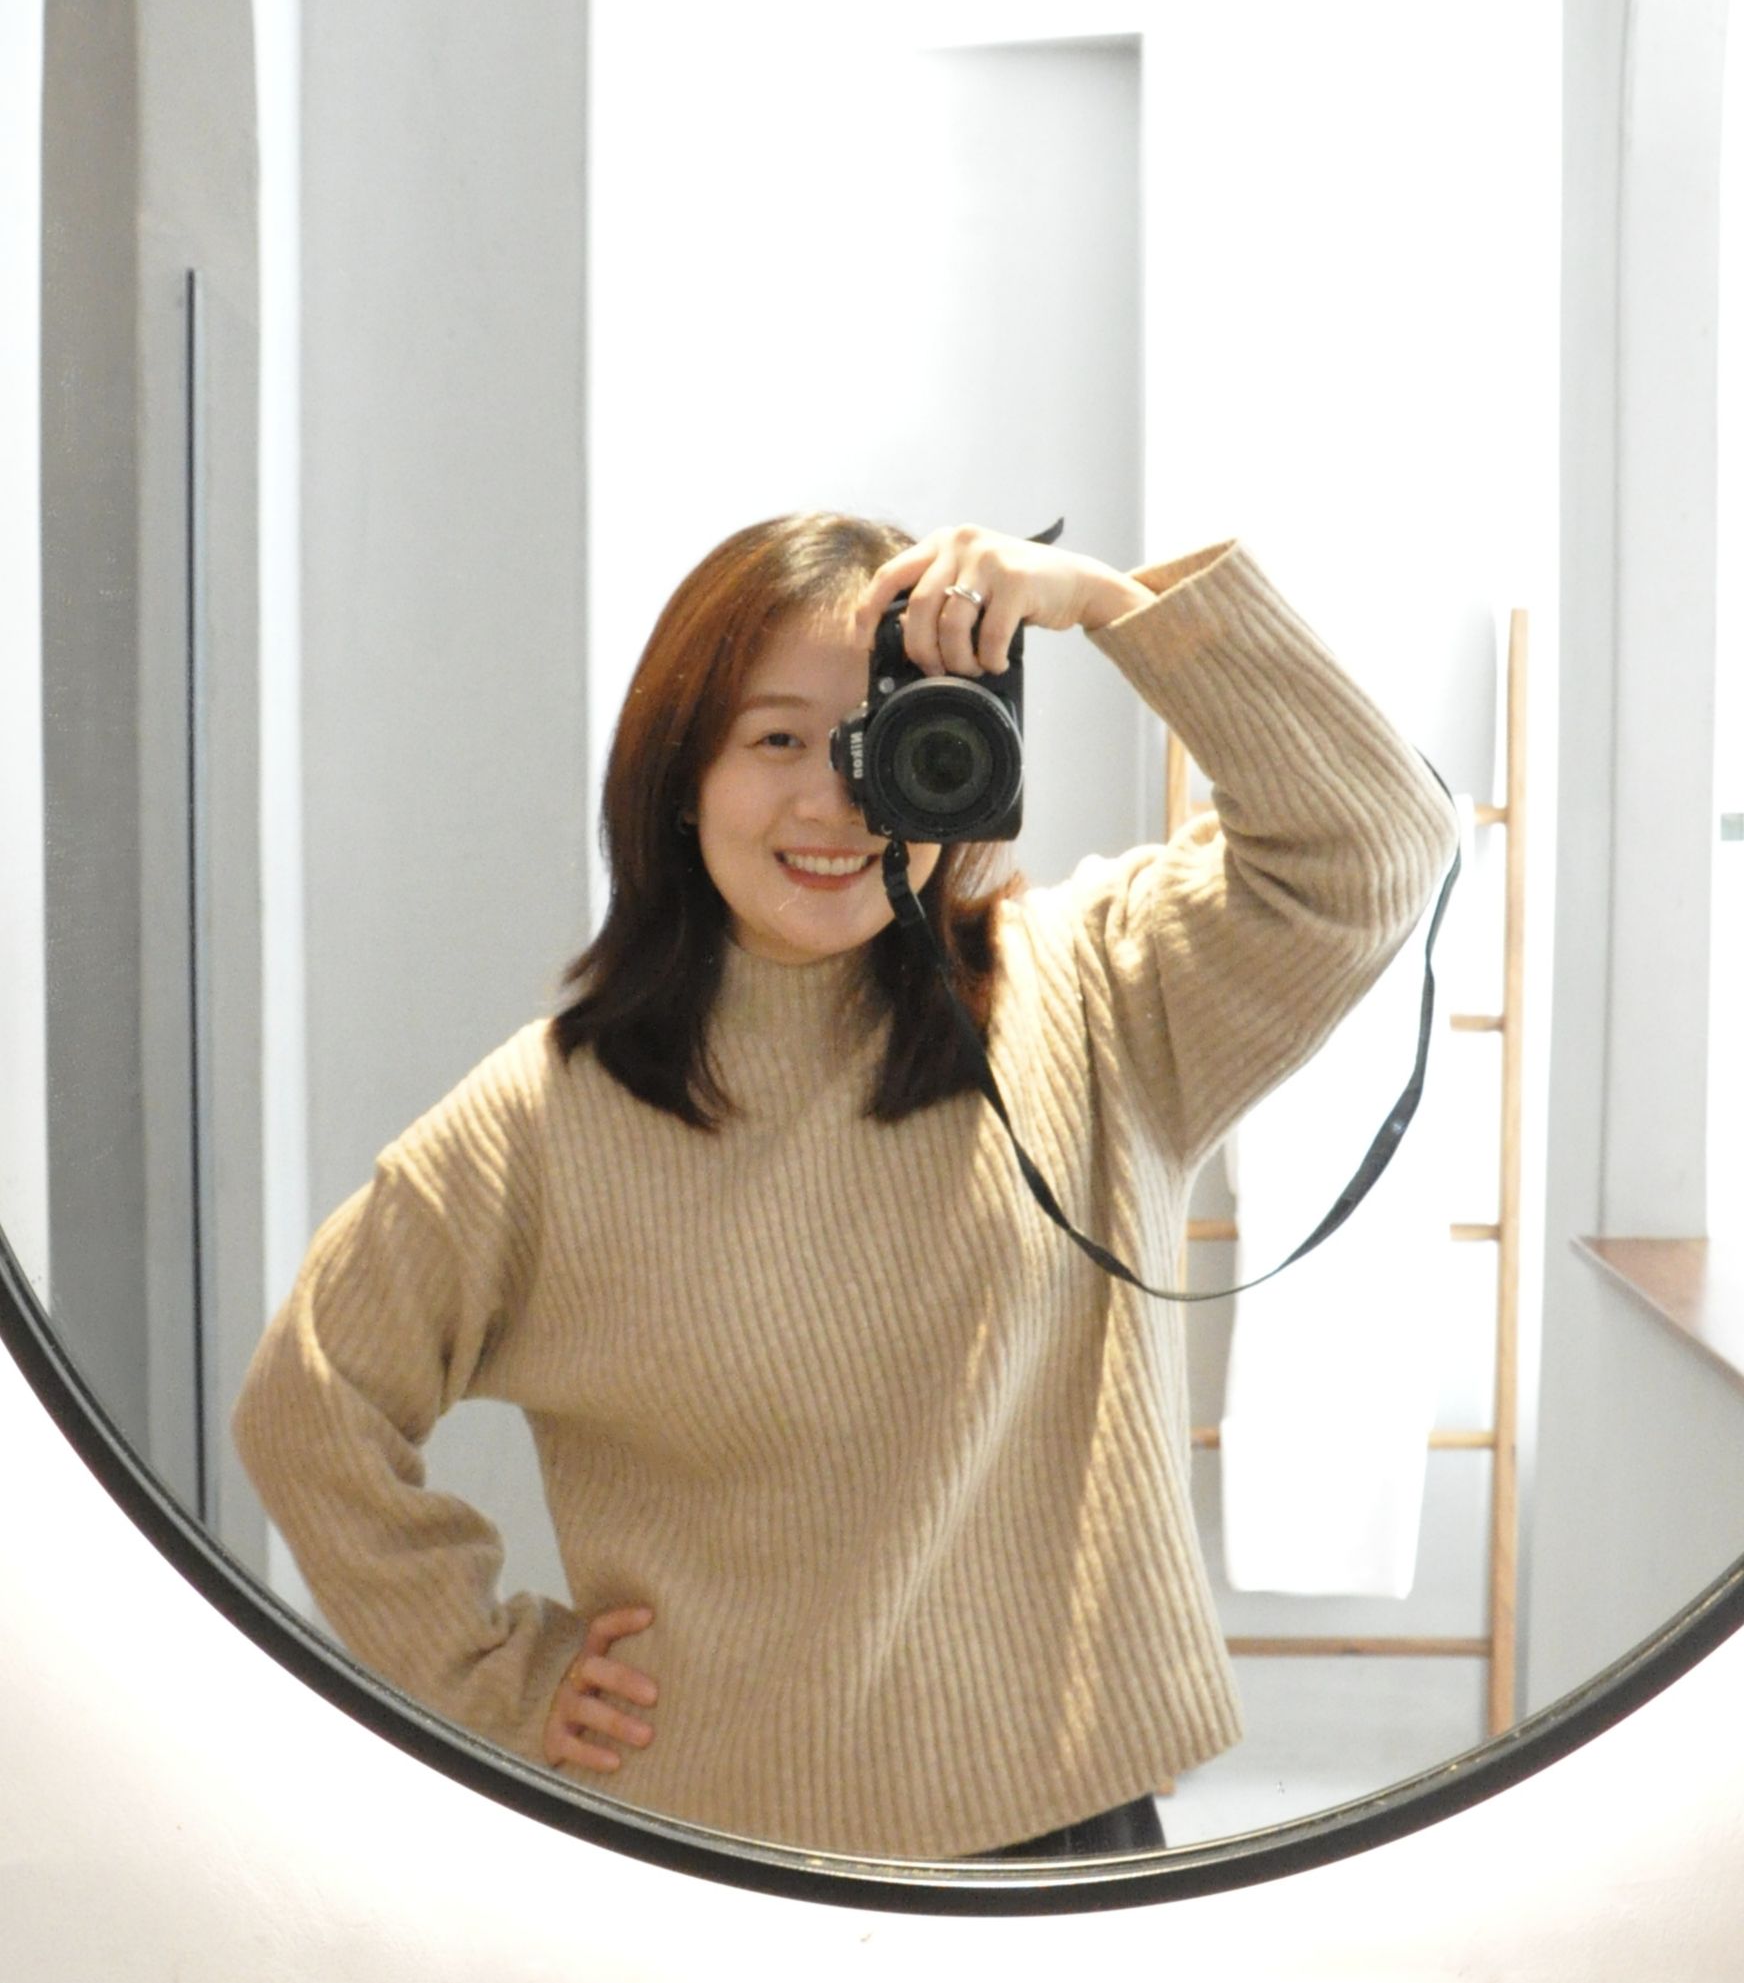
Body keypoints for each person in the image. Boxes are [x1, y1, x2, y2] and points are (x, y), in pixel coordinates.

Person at [233, 517, 1457, 1863]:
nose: (837, 799)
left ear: (968, 755)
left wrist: (1104, 604)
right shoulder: (543, 1119)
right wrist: (491, 1677)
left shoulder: (1101, 990)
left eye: (885, 734)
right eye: (776, 739)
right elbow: (310, 1403)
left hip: (1065, 1830)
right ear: (680, 777)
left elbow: (1378, 839)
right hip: (716, 1850)